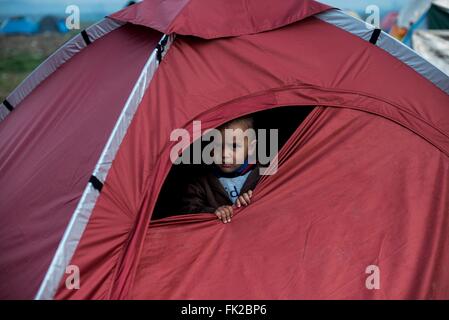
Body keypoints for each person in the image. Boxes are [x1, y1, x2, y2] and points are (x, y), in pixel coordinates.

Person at [181, 115, 261, 223]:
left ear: (251, 148)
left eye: (233, 146)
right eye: (218, 145)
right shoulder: (201, 181)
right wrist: (213, 212)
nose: (224, 154)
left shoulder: (262, 175)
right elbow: (188, 209)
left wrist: (256, 198)